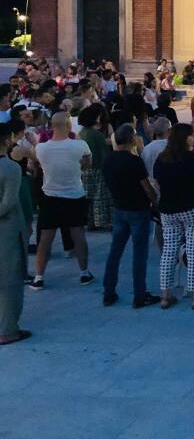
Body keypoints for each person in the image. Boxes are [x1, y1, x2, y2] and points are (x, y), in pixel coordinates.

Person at [154, 123, 194, 310]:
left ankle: (166, 295)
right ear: (185, 138)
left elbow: (157, 184)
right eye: (192, 135)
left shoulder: (161, 159)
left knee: (169, 251)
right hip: (192, 208)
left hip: (168, 209)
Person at [30, 112, 93, 290]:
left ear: (51, 127)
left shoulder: (41, 148)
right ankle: (84, 272)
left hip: (50, 197)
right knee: (78, 234)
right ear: (69, 126)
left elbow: (37, 163)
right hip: (74, 195)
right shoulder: (80, 145)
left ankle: (39, 276)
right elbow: (88, 165)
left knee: (45, 238)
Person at [101, 123, 159, 308]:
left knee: (115, 251)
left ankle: (109, 292)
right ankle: (139, 295)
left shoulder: (108, 159)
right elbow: (146, 187)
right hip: (138, 209)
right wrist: (155, 201)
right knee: (139, 254)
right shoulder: (133, 161)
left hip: (120, 208)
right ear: (131, 139)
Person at [0, 123, 30, 345]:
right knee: (11, 279)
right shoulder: (10, 168)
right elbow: (8, 204)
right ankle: (8, 329)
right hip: (7, 229)